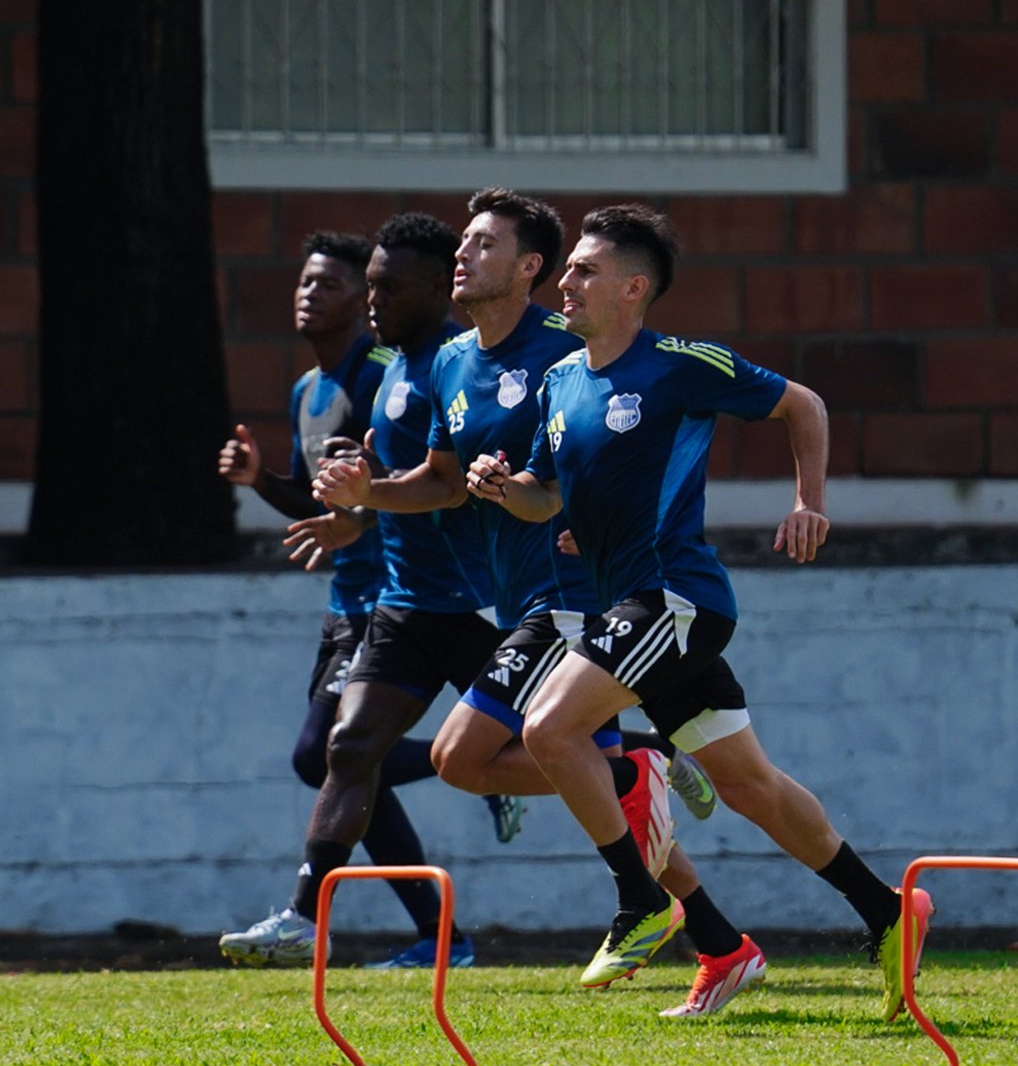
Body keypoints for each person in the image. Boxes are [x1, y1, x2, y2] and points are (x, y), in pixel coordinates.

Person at [466, 203, 933, 1020]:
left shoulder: (678, 364)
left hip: (676, 597)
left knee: (549, 727)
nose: (565, 282)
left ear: (633, 288)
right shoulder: (559, 381)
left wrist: (809, 502)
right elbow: (545, 499)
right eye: (568, 269)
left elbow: (803, 404)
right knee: (749, 785)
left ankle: (641, 900)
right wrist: (505, 488)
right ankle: (888, 909)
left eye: (584, 270)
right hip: (635, 608)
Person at [310, 189, 765, 1013]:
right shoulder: (451, 360)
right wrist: (367, 493)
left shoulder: (569, 345)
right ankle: (718, 938)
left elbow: (629, 441)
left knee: (463, 758)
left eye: (481, 244)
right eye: (463, 242)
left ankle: (640, 795)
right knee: (576, 786)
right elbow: (443, 484)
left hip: (578, 599)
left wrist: (592, 521)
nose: (463, 254)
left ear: (529, 269)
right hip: (516, 599)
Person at [219, 216, 515, 971]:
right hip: (380, 600)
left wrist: (363, 510)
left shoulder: (413, 365)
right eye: (305, 281)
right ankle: (361, 925)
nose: (311, 295)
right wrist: (270, 484)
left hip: (442, 595)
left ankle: (625, 764)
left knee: (340, 753)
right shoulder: (321, 386)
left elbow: (432, 484)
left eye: (337, 284)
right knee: (343, 753)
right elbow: (335, 494)